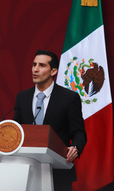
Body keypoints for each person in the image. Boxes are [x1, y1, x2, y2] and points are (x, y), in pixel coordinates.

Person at [13, 49, 87, 190]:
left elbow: (79, 132)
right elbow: (16, 128)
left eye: (41, 65)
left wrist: (76, 147)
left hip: (58, 170)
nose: (35, 69)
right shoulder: (22, 97)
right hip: (26, 169)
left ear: (53, 71)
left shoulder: (69, 98)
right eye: (34, 64)